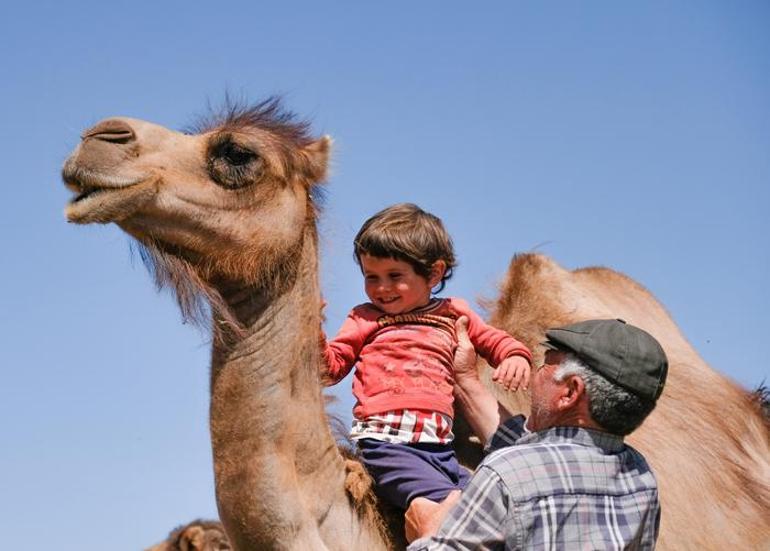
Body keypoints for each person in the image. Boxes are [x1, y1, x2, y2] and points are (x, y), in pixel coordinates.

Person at [321, 203, 533, 518]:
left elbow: (493, 340)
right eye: (371, 277)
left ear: (433, 273)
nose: (381, 288)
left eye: (395, 275)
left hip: (439, 449)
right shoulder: (364, 318)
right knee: (458, 511)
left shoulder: (453, 313)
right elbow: (331, 368)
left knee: (494, 504)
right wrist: (313, 332)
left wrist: (515, 355)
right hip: (388, 446)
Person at [407, 317, 668, 550]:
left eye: (546, 363)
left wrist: (428, 534)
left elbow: (522, 471)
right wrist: (464, 379)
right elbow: (539, 459)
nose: (536, 375)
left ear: (569, 391)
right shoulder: (642, 479)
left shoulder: (504, 474)